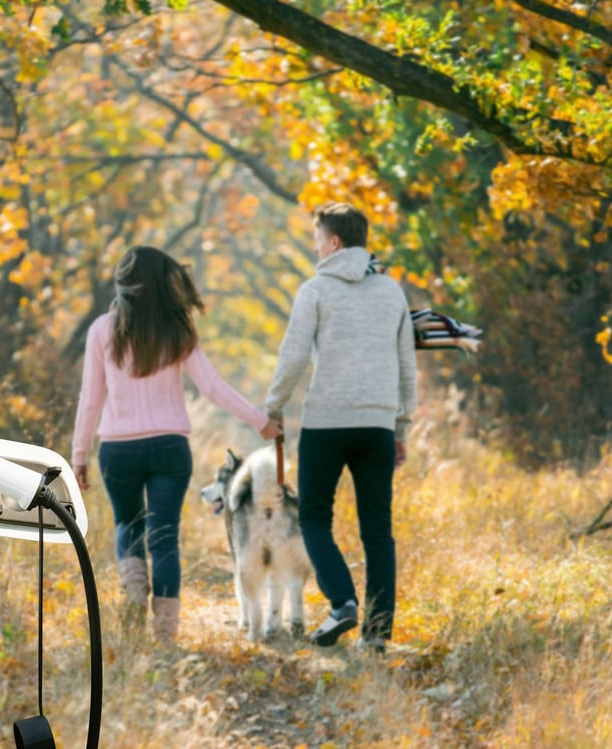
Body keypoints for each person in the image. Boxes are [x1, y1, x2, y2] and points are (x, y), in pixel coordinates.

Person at [72, 245, 281, 643]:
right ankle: (165, 634)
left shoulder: (102, 329)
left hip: (118, 449)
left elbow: (90, 399)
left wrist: (79, 454)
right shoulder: (177, 327)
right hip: (169, 448)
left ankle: (134, 593)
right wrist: (261, 422)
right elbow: (213, 387)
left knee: (127, 525)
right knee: (165, 535)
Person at [263, 202, 417, 653]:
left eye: (317, 239)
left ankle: (342, 602)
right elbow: (407, 366)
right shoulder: (392, 292)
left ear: (333, 242)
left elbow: (292, 357)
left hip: (326, 423)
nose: (314, 248)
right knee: (377, 529)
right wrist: (401, 427)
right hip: (376, 425)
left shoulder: (315, 290)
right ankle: (377, 635)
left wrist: (273, 407)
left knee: (313, 517)